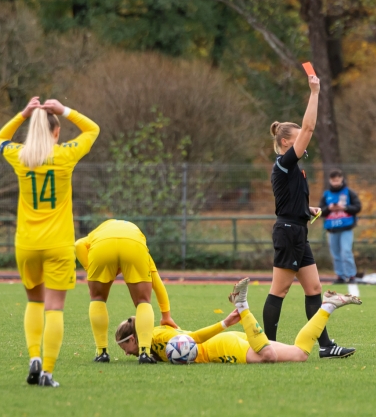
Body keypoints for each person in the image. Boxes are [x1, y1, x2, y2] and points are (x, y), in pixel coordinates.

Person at [0, 96, 99, 387]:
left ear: (32, 131)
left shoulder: (20, 156)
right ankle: (48, 372)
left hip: (26, 244)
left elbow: (0, 137)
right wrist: (64, 109)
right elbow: (93, 130)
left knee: (34, 303)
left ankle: (33, 358)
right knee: (55, 308)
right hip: (59, 244)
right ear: (56, 132)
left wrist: (24, 113)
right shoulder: (65, 155)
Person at [263, 73, 355, 359]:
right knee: (279, 290)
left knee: (314, 287)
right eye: (298, 139)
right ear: (286, 143)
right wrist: (314, 92)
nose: (304, 142)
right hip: (289, 232)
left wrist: (308, 209)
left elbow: (288, 201)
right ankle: (265, 347)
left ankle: (326, 346)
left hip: (296, 229)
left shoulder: (293, 168)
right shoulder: (285, 162)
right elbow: (310, 126)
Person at [115, 278, 361, 364]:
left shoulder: (156, 338)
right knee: (300, 354)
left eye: (123, 346)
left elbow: (191, 339)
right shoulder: (153, 341)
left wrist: (224, 323)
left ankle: (242, 306)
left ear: (133, 338)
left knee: (268, 357)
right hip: (228, 341)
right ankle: (328, 306)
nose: (125, 353)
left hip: (218, 349)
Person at [75, 219, 178, 365]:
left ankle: (101, 352)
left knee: (97, 298)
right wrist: (166, 315)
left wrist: (89, 269)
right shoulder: (137, 238)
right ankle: (144, 353)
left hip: (102, 246)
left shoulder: (98, 231)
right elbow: (158, 284)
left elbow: (78, 245)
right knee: (143, 300)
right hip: (133, 245)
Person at [319, 169, 363, 285]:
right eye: (334, 180)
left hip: (346, 228)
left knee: (346, 251)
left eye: (338, 180)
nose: (336, 183)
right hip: (332, 229)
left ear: (341, 179)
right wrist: (329, 209)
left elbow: (358, 207)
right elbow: (320, 211)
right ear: (330, 181)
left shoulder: (349, 192)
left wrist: (344, 208)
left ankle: (351, 275)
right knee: (336, 254)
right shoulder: (326, 195)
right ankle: (340, 276)